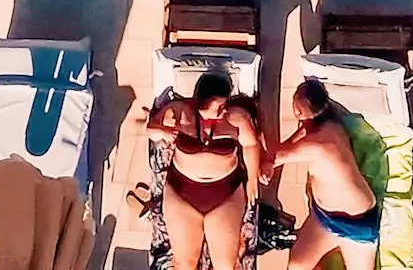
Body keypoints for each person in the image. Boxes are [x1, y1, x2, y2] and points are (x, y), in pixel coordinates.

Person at [126, 68, 266, 270]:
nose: (222, 111)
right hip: (182, 191)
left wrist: (252, 177)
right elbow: (151, 130)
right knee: (185, 265)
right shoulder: (179, 112)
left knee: (226, 266)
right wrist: (164, 131)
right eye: (216, 106)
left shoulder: (236, 118)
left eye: (224, 104)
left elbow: (251, 145)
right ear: (201, 100)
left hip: (225, 192)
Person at [274, 81, 388, 270]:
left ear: (298, 112)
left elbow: (280, 155)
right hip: (324, 217)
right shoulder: (328, 124)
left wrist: (264, 164)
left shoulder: (318, 145)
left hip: (356, 222)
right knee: (297, 265)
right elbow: (301, 133)